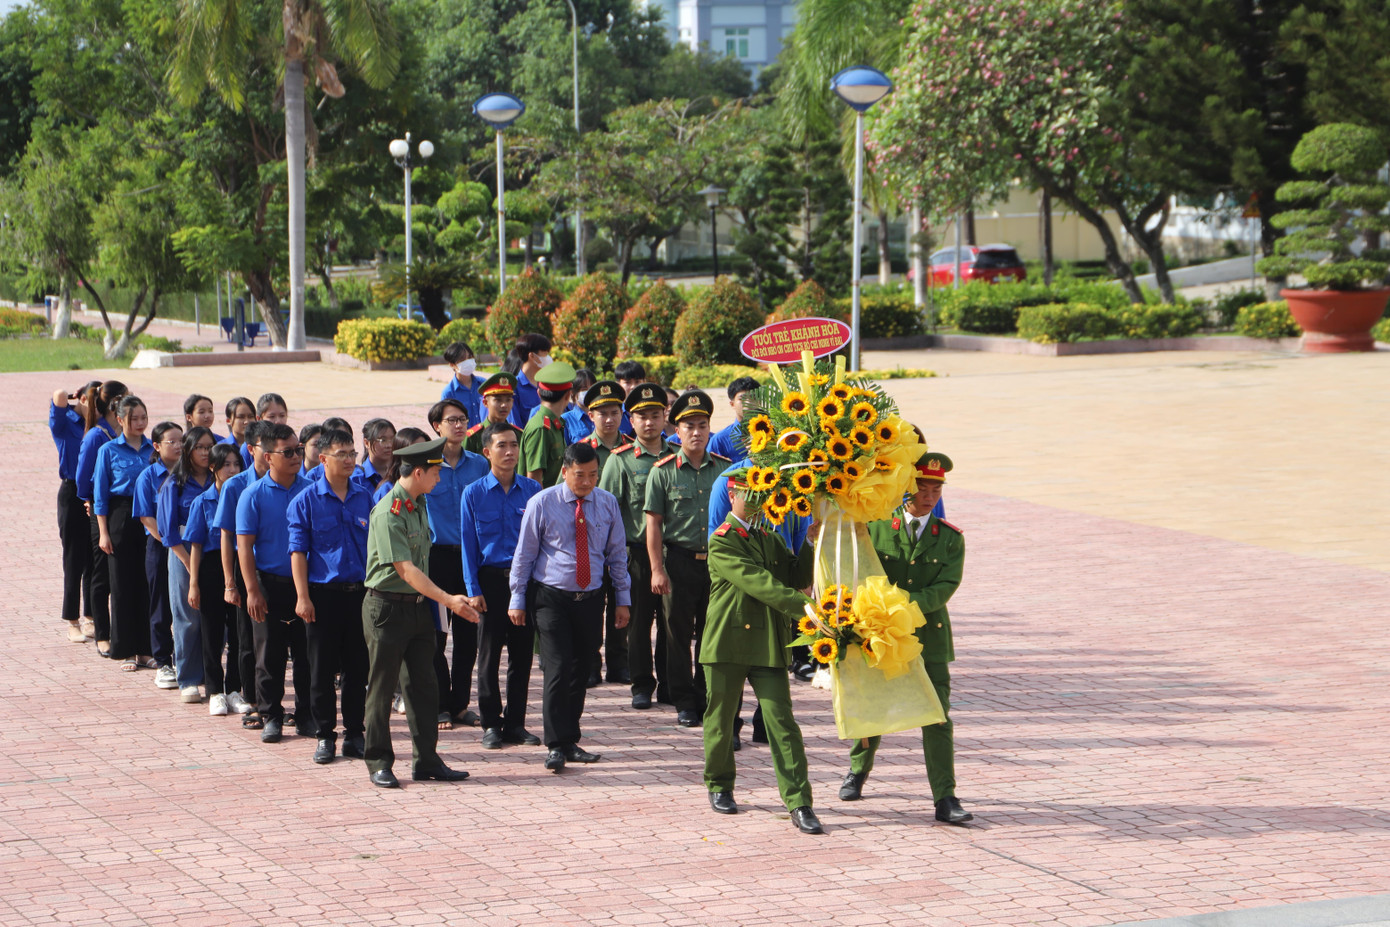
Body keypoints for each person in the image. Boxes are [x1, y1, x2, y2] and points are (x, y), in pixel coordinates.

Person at [839, 451, 971, 825]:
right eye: (921, 487)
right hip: (880, 634)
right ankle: (858, 769)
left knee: (937, 716)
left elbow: (945, 587)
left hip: (928, 637)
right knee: (873, 704)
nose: (929, 495)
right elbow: (861, 569)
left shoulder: (949, 539)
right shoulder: (876, 526)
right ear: (906, 488)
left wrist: (901, 606)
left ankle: (945, 797)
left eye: (936, 488)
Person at [701, 469, 822, 834]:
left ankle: (799, 801)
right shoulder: (722, 540)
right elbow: (762, 584)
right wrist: (808, 613)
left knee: (781, 723)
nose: (758, 504)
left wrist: (812, 541)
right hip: (727, 641)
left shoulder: (769, 538)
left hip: (767, 642)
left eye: (763, 497)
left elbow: (796, 576)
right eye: (751, 496)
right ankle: (719, 784)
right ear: (733, 495)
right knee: (721, 720)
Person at [361, 437, 479, 789]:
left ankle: (426, 759)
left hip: (417, 609)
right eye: (435, 472)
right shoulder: (389, 511)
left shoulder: (419, 502)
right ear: (417, 471)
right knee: (382, 689)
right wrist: (449, 600)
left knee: (424, 688)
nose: (439, 478)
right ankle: (379, 761)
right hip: (386, 609)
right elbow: (405, 569)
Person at [509, 442, 631, 773]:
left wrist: (623, 599)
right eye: (580, 475)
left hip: (590, 598)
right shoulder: (542, 503)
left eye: (593, 475)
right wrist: (517, 599)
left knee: (581, 668)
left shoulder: (606, 504)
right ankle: (554, 744)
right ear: (565, 472)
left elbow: (617, 553)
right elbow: (524, 555)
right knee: (558, 666)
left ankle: (569, 739)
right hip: (551, 598)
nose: (587, 482)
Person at [287, 428, 373, 765]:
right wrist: (302, 597)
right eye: (342, 454)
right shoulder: (305, 501)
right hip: (322, 596)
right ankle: (325, 735)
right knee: (320, 670)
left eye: (352, 453)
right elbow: (297, 553)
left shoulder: (365, 496)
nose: (351, 460)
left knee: (357, 668)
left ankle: (355, 733)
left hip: (359, 595)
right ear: (323, 459)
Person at [644, 390, 728, 727]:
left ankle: (706, 694)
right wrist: (657, 570)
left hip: (717, 563)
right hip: (677, 562)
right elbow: (653, 525)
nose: (696, 432)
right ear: (676, 431)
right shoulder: (662, 472)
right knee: (676, 635)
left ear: (710, 429)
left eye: (702, 425)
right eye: (689, 426)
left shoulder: (724, 470)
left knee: (712, 634)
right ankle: (683, 701)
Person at [459, 422, 542, 749]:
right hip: (490, 582)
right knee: (489, 656)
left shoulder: (533, 490)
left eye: (513, 445)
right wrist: (472, 588)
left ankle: (516, 724)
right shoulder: (474, 493)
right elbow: (467, 545)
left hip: (524, 581)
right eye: (501, 446)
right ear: (486, 452)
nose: (509, 452)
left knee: (522, 657)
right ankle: (491, 723)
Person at [598, 383, 676, 710]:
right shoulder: (621, 461)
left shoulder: (677, 454)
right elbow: (607, 512)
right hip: (636, 554)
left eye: (655, 415)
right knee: (639, 622)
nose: (649, 423)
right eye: (642, 416)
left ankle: (671, 683)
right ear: (631, 419)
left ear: (665, 417)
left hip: (674, 552)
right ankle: (641, 683)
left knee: (674, 624)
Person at [236, 423, 313, 744]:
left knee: (308, 652)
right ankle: (271, 715)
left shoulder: (310, 489)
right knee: (269, 654)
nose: (296, 456)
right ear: (268, 457)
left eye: (299, 450)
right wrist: (252, 590)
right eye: (288, 452)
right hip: (268, 583)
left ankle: (307, 714)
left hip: (306, 585)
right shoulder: (252, 495)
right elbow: (244, 545)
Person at [424, 399, 490, 729]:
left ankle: (461, 704)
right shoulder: (426, 463)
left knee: (467, 634)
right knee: (436, 636)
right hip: (436, 559)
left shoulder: (478, 465)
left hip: (469, 558)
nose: (459, 425)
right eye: (452, 420)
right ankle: (439, 704)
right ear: (437, 425)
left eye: (463, 419)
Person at [185, 444, 251, 717]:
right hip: (212, 568)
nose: (233, 469)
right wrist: (194, 583)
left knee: (239, 633)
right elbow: (196, 546)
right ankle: (214, 690)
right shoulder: (202, 502)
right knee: (211, 633)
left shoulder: (244, 496)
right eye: (226, 464)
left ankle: (234, 689)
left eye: (236, 464)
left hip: (241, 565)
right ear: (213, 468)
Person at [215, 420, 272, 729]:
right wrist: (230, 582)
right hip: (247, 569)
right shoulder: (237, 485)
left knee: (276, 641)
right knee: (246, 641)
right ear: (252, 449)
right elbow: (227, 536)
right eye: (269, 447)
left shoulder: (291, 480)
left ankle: (272, 701)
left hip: (279, 572)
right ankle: (251, 701)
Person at [94, 396, 155, 670]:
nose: (140, 423)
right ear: (120, 420)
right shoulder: (108, 450)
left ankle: (146, 648)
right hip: (119, 518)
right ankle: (125, 650)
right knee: (121, 587)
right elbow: (100, 495)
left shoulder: (153, 449)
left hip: (149, 521)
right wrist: (103, 532)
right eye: (134, 418)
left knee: (147, 585)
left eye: (143, 417)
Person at [157, 426, 215, 704]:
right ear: (188, 451)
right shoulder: (175, 484)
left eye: (209, 447)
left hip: (216, 552)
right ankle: (188, 678)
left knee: (215, 618)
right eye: (199, 447)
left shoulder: (220, 480)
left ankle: (210, 673)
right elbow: (168, 533)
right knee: (187, 617)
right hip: (184, 552)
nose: (205, 453)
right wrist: (189, 564)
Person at [579, 380, 627, 685]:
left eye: (614, 411)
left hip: (624, 539)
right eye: (602, 413)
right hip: (590, 539)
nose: (608, 419)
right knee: (593, 605)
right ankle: (591, 663)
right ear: (590, 416)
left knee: (622, 602)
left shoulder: (632, 449)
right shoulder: (582, 451)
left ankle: (620, 664)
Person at [76, 380, 127, 658]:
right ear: (116, 402)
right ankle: (102, 634)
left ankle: (122, 632)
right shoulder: (97, 436)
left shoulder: (124, 433)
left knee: (121, 574)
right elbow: (83, 480)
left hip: (123, 511)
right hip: (100, 510)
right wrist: (91, 501)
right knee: (101, 573)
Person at [135, 421, 183, 689]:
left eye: (181, 441)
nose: (178, 446)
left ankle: (185, 658)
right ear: (156, 446)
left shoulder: (190, 473)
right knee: (161, 603)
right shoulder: (148, 476)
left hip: (188, 546)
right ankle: (163, 661)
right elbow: (146, 516)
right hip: (159, 545)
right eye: (172, 442)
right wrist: (168, 541)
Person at [51, 381, 100, 644]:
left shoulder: (100, 425)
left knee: (94, 557)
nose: (96, 406)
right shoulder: (64, 422)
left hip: (95, 495)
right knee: (74, 559)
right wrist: (76, 397)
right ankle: (72, 620)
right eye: (93, 400)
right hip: (71, 494)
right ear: (80, 399)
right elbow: (58, 395)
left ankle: (92, 616)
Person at [518, 360, 576, 488]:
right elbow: (533, 481)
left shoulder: (554, 424)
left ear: (539, 393)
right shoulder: (541, 428)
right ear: (568, 396)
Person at [505, 332, 551, 428]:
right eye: (545, 353)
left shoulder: (548, 385)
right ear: (532, 356)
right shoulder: (514, 388)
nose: (548, 358)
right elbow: (515, 427)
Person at [707, 376, 759, 461]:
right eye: (742, 398)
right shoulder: (720, 440)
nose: (748, 402)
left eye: (753, 397)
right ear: (732, 404)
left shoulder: (773, 433)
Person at [373, 427, 429, 505]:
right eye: (415, 452)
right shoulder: (387, 490)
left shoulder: (429, 486)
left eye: (424, 451)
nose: (421, 457)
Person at [464, 373, 516, 454]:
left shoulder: (518, 434)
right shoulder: (473, 437)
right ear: (485, 403)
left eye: (508, 400)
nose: (504, 405)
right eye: (498, 400)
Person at [440, 341, 485, 428]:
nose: (468, 361)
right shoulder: (449, 393)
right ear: (452, 365)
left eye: (469, 357)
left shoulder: (483, 384)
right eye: (462, 359)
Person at [240, 392, 289, 471]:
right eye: (272, 416)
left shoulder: (291, 442)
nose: (278, 421)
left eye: (282, 415)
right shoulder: (250, 445)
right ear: (259, 419)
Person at [354, 418, 396, 494]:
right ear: (367, 443)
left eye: (392, 439)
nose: (389, 445)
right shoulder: (357, 478)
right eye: (383, 440)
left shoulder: (400, 473)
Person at [562, 367, 596, 445]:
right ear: (573, 392)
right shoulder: (565, 420)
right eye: (584, 389)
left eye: (592, 388)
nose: (589, 392)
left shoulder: (602, 415)